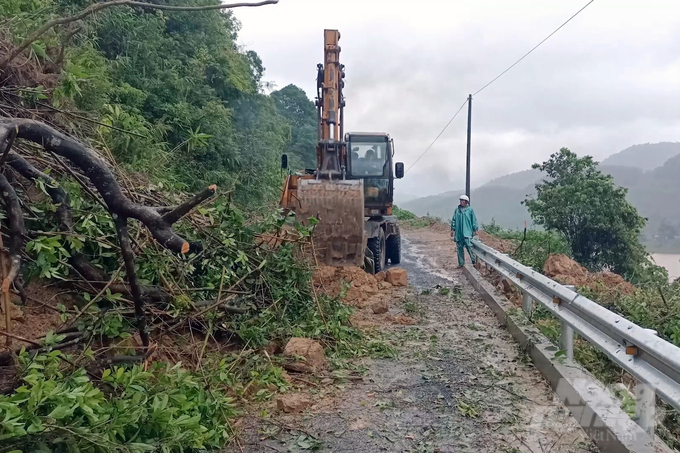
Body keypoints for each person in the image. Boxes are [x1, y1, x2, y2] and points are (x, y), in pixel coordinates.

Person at [450, 194, 478, 267]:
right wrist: (452, 229)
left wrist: (475, 229)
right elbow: (454, 220)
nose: (461, 202)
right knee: (459, 249)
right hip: (459, 233)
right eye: (460, 200)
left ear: (466, 202)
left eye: (463, 200)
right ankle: (461, 263)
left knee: (469, 247)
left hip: (467, 232)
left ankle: (474, 261)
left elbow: (473, 220)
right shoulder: (457, 210)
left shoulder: (470, 210)